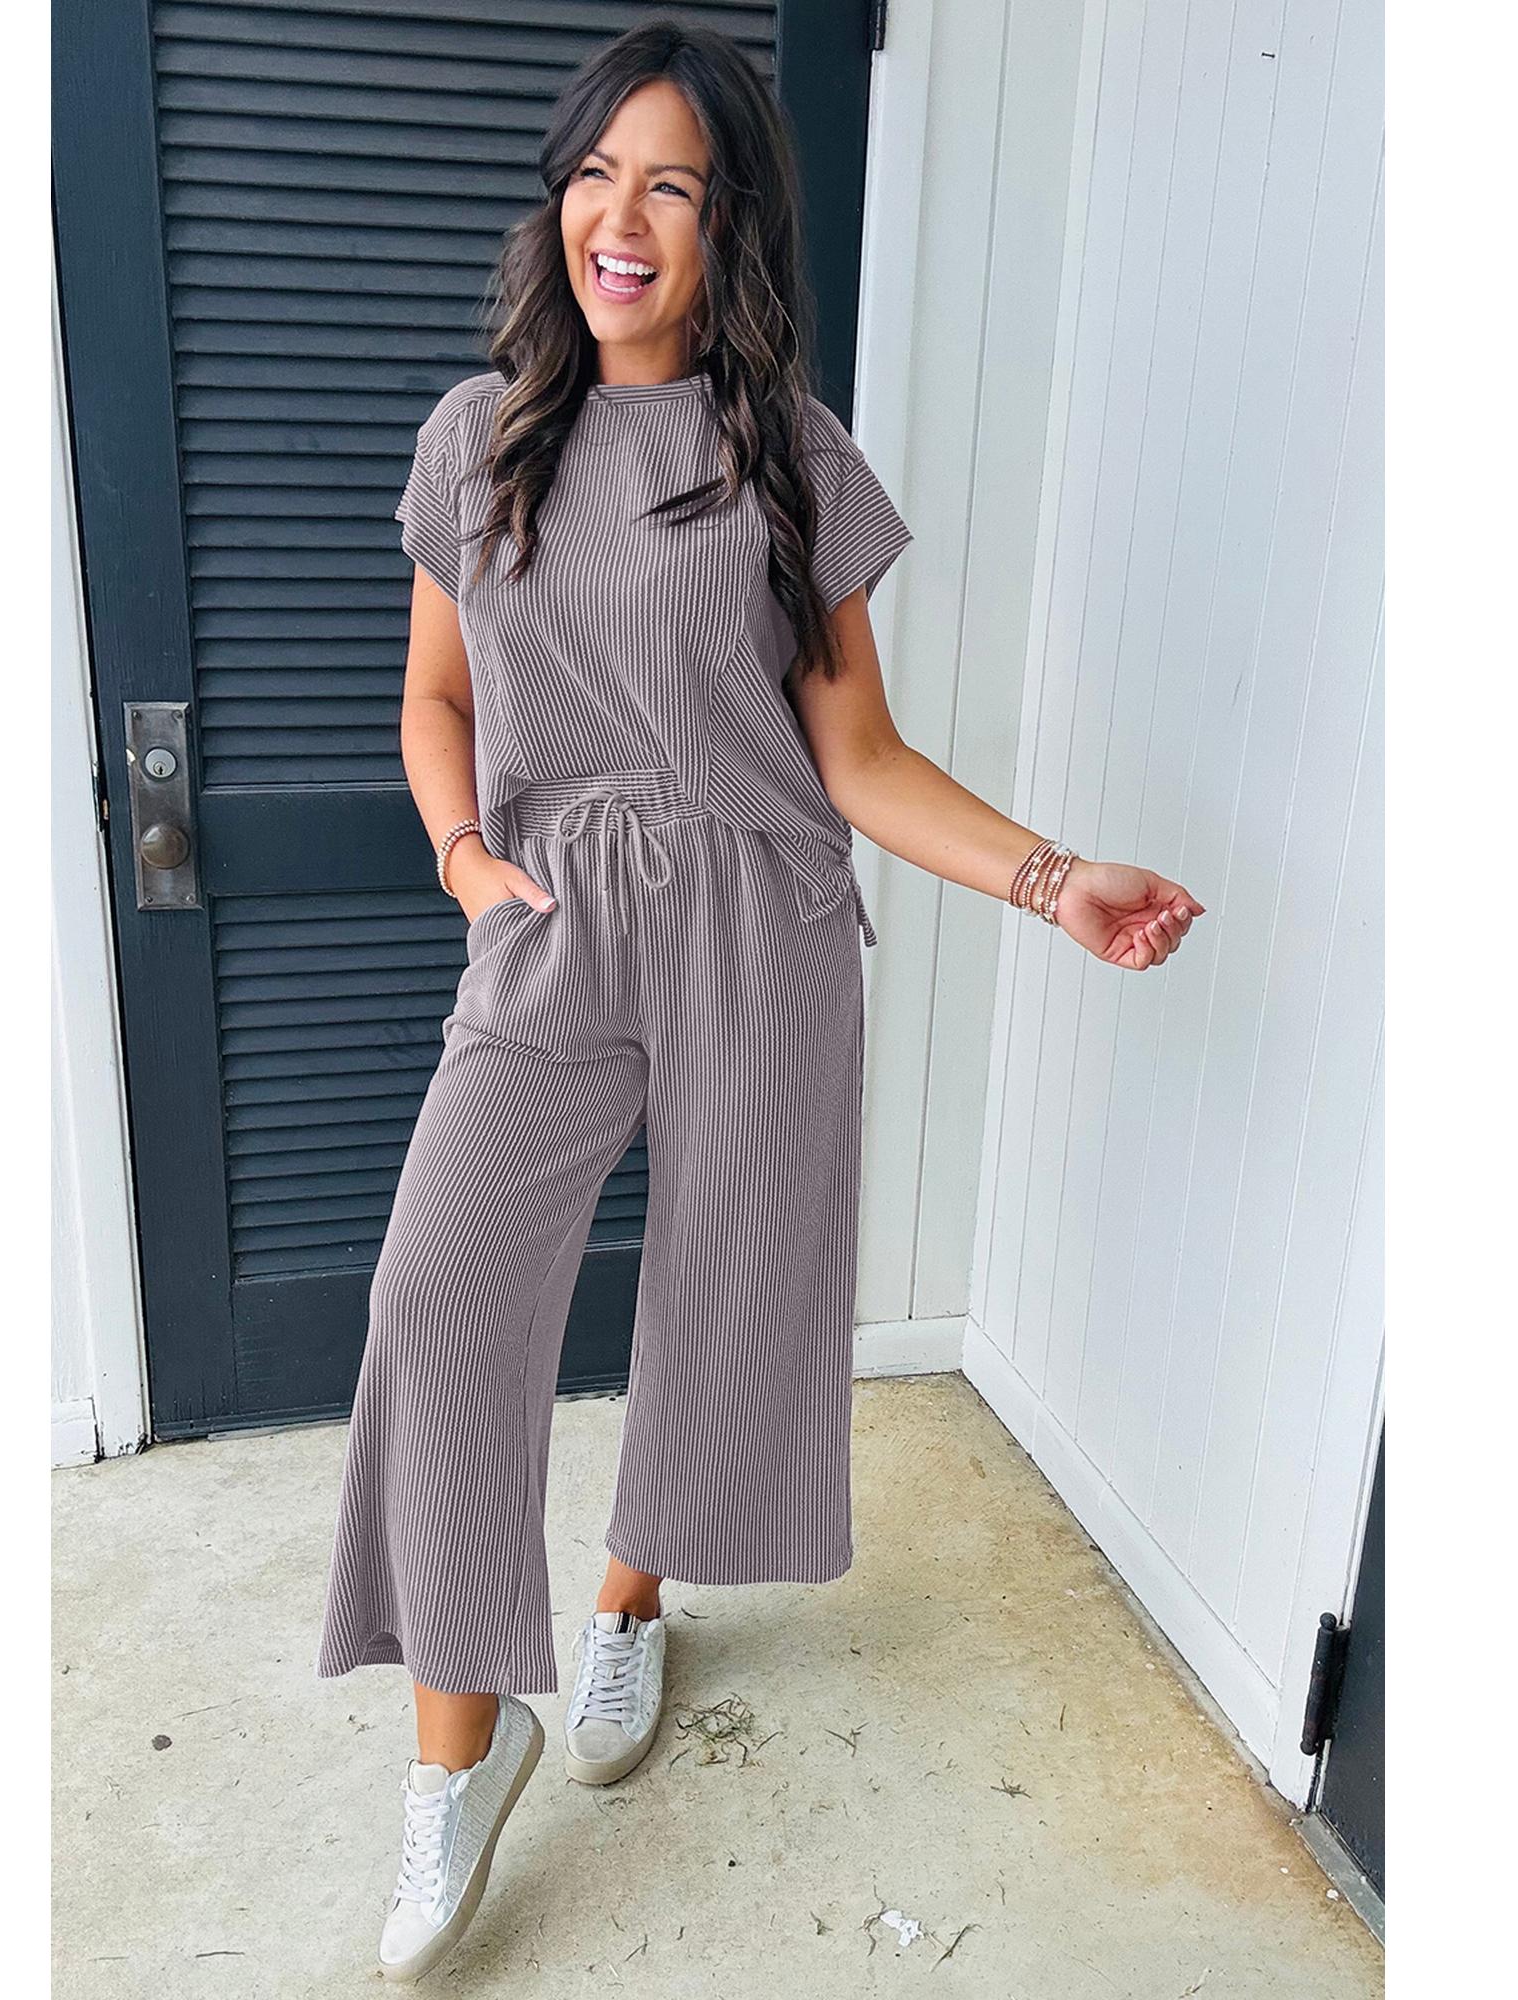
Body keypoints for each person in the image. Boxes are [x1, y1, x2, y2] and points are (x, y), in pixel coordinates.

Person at [315, 17, 1205, 1985]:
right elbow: (436, 695)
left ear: (730, 231)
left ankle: (630, 1603)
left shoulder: (790, 459)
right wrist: (464, 860)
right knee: (436, 1295)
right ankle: (459, 1752)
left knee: (718, 1299)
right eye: (594, 174)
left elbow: (858, 758)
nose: (619, 218)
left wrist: (1051, 879)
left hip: (758, 919)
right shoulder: (474, 438)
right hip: (553, 915)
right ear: (558, 200)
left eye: (672, 185)